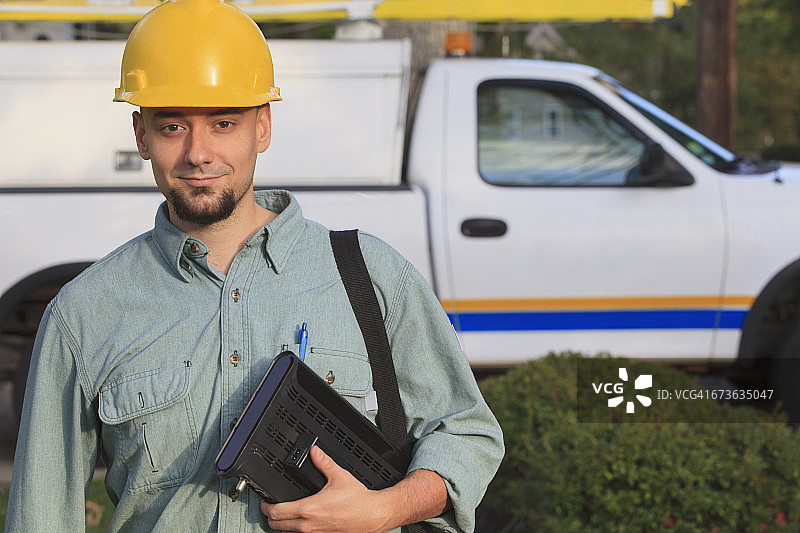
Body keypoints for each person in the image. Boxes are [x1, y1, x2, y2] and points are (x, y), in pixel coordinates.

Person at [4, 0, 504, 531]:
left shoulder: (369, 276)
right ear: (140, 135)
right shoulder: (83, 314)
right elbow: (41, 515)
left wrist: (385, 509)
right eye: (173, 126)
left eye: (223, 123)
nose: (198, 152)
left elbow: (464, 431)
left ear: (262, 127)